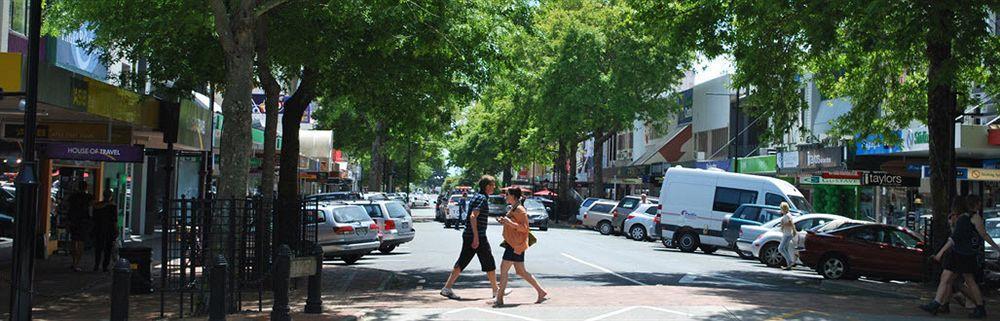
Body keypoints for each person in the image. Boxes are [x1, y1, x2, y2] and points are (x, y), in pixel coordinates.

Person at [921, 196, 999, 318]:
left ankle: (939, 304)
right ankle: (938, 304)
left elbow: (954, 238)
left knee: (953, 279)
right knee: (953, 279)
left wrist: (940, 254)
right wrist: (995, 247)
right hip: (965, 254)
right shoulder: (972, 217)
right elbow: (983, 235)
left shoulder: (965, 218)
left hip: (960, 254)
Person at [440, 175, 503, 300]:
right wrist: (476, 237)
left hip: (471, 234)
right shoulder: (482, 199)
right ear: (487, 186)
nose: (494, 187)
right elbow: (473, 216)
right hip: (477, 235)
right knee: (488, 261)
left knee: (464, 261)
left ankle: (447, 288)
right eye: (493, 185)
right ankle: (496, 291)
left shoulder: (476, 196)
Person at [494, 188, 547, 306]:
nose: (505, 196)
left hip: (515, 245)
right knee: (520, 271)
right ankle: (541, 292)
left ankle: (499, 298)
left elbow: (524, 228)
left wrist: (508, 222)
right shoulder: (514, 208)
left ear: (513, 196)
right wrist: (504, 221)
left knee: (504, 269)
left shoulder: (520, 209)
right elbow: (513, 224)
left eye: (507, 195)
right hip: (514, 243)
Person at [67, 181, 95, 272]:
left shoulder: (73, 197)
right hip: (84, 222)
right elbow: (91, 210)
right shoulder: (89, 197)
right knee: (81, 242)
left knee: (73, 241)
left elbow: (68, 208)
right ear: (86, 187)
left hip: (73, 221)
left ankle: (73, 261)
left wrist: (68, 220)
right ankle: (77, 263)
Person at [91, 195, 118, 272]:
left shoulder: (97, 206)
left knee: (98, 248)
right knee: (108, 249)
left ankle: (96, 265)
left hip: (99, 229)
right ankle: (105, 266)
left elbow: (94, 218)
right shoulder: (112, 206)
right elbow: (114, 220)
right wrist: (116, 229)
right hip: (109, 229)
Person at [777, 202, 797, 270]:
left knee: (780, 248)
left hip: (787, 234)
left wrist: (783, 225)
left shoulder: (787, 216)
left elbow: (790, 223)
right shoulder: (788, 215)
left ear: (784, 209)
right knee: (785, 248)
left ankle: (790, 262)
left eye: (781, 208)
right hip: (788, 233)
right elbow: (790, 223)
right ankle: (789, 265)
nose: (781, 210)